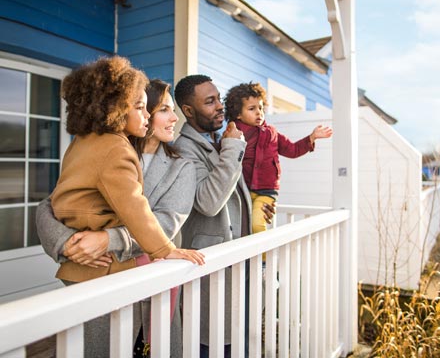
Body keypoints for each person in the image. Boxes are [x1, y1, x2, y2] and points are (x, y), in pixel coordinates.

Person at [38, 58, 203, 357]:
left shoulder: (83, 142)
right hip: (102, 270)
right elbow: (134, 206)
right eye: (143, 107)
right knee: (102, 348)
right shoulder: (116, 148)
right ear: (114, 109)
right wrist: (165, 250)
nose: (147, 114)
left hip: (95, 263)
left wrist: (106, 239)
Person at [173, 75, 275, 358]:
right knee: (214, 344)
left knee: (238, 338)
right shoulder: (184, 149)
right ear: (188, 111)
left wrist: (254, 204)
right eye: (210, 102)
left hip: (237, 261)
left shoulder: (221, 137)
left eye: (218, 98)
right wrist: (232, 148)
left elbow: (232, 191)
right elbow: (208, 202)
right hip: (211, 267)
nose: (220, 106)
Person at [224, 81, 333, 234]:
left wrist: (312, 137)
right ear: (238, 114)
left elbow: (293, 150)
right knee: (241, 228)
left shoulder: (272, 132)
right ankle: (247, 258)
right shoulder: (234, 132)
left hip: (266, 191)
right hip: (242, 189)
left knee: (257, 225)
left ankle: (262, 258)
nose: (259, 112)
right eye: (252, 108)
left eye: (261, 108)